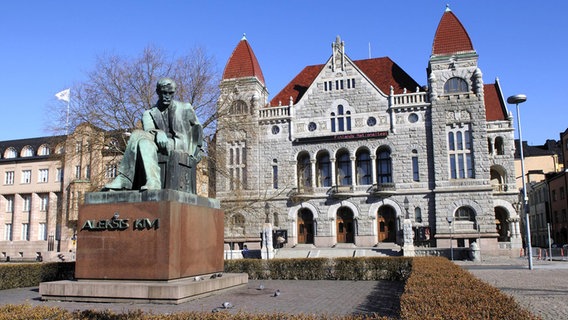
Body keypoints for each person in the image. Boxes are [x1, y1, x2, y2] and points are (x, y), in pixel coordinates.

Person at [104, 78, 203, 192]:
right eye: (163, 93)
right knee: (143, 142)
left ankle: (125, 178)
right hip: (158, 144)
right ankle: (153, 181)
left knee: (137, 134)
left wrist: (199, 151)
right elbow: (148, 132)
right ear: (157, 92)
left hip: (180, 145)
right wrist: (159, 133)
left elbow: (198, 129)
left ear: (174, 93)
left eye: (170, 93)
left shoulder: (185, 108)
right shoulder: (149, 113)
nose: (167, 96)